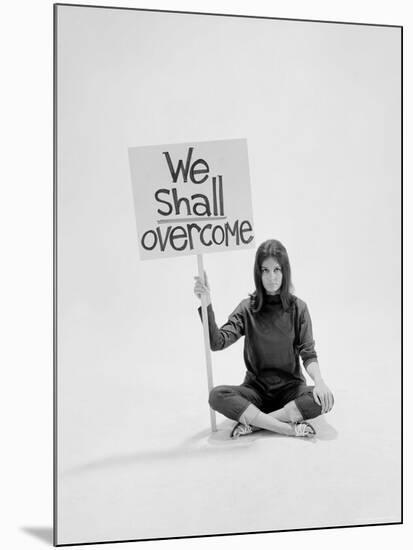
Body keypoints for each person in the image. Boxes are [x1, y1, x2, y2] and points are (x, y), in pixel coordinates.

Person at [194, 239, 334, 438]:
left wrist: (319, 381)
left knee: (323, 398)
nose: (272, 277)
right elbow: (217, 342)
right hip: (255, 392)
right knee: (217, 396)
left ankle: (256, 423)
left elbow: (308, 353)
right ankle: (287, 427)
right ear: (258, 273)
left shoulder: (298, 308)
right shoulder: (247, 308)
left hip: (290, 391)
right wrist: (206, 304)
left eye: (277, 269)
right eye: (265, 270)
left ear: (285, 271)